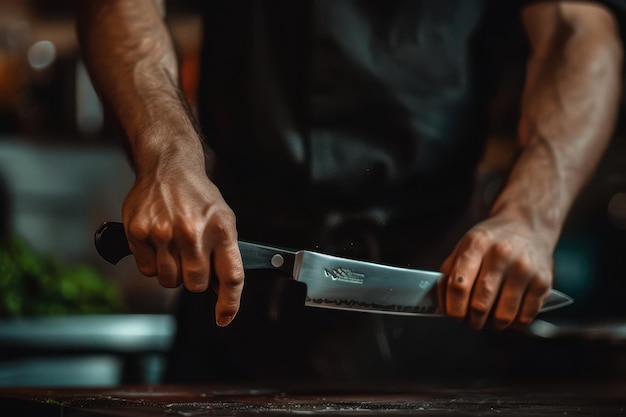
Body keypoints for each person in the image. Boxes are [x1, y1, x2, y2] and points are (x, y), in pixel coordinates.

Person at [76, 1, 624, 382]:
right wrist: (168, 155)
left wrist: (531, 212)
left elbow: (577, 28)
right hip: (232, 287)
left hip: (443, 291)